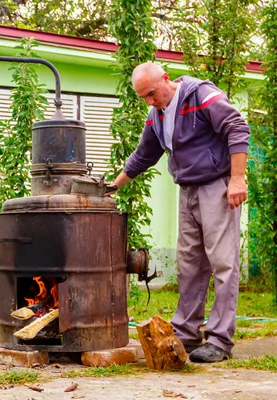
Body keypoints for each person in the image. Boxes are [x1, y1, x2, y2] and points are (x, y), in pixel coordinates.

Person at [108, 62, 249, 363]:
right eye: (143, 97)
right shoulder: (156, 115)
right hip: (188, 190)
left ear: (165, 80)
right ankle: (186, 332)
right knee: (189, 264)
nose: (149, 101)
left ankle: (220, 340)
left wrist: (237, 178)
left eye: (151, 94)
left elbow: (237, 127)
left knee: (223, 263)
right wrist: (114, 185)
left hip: (217, 186)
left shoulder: (200, 95)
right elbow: (145, 153)